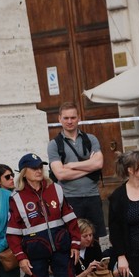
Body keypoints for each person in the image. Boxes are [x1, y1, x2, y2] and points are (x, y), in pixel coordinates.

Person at [7, 152, 81, 277]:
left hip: (61, 249)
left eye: (40, 166)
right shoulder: (17, 198)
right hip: (34, 254)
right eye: (33, 167)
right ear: (24, 173)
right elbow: (12, 233)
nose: (39, 170)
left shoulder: (56, 189)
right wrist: (21, 258)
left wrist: (75, 243)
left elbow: (71, 219)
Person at [47, 101, 106, 239]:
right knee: (74, 238)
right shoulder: (54, 144)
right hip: (70, 198)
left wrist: (71, 165)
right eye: (66, 118)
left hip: (93, 196)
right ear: (59, 119)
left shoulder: (91, 139)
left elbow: (99, 163)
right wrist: (89, 167)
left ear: (78, 118)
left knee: (95, 238)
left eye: (73, 117)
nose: (69, 121)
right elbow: (60, 174)